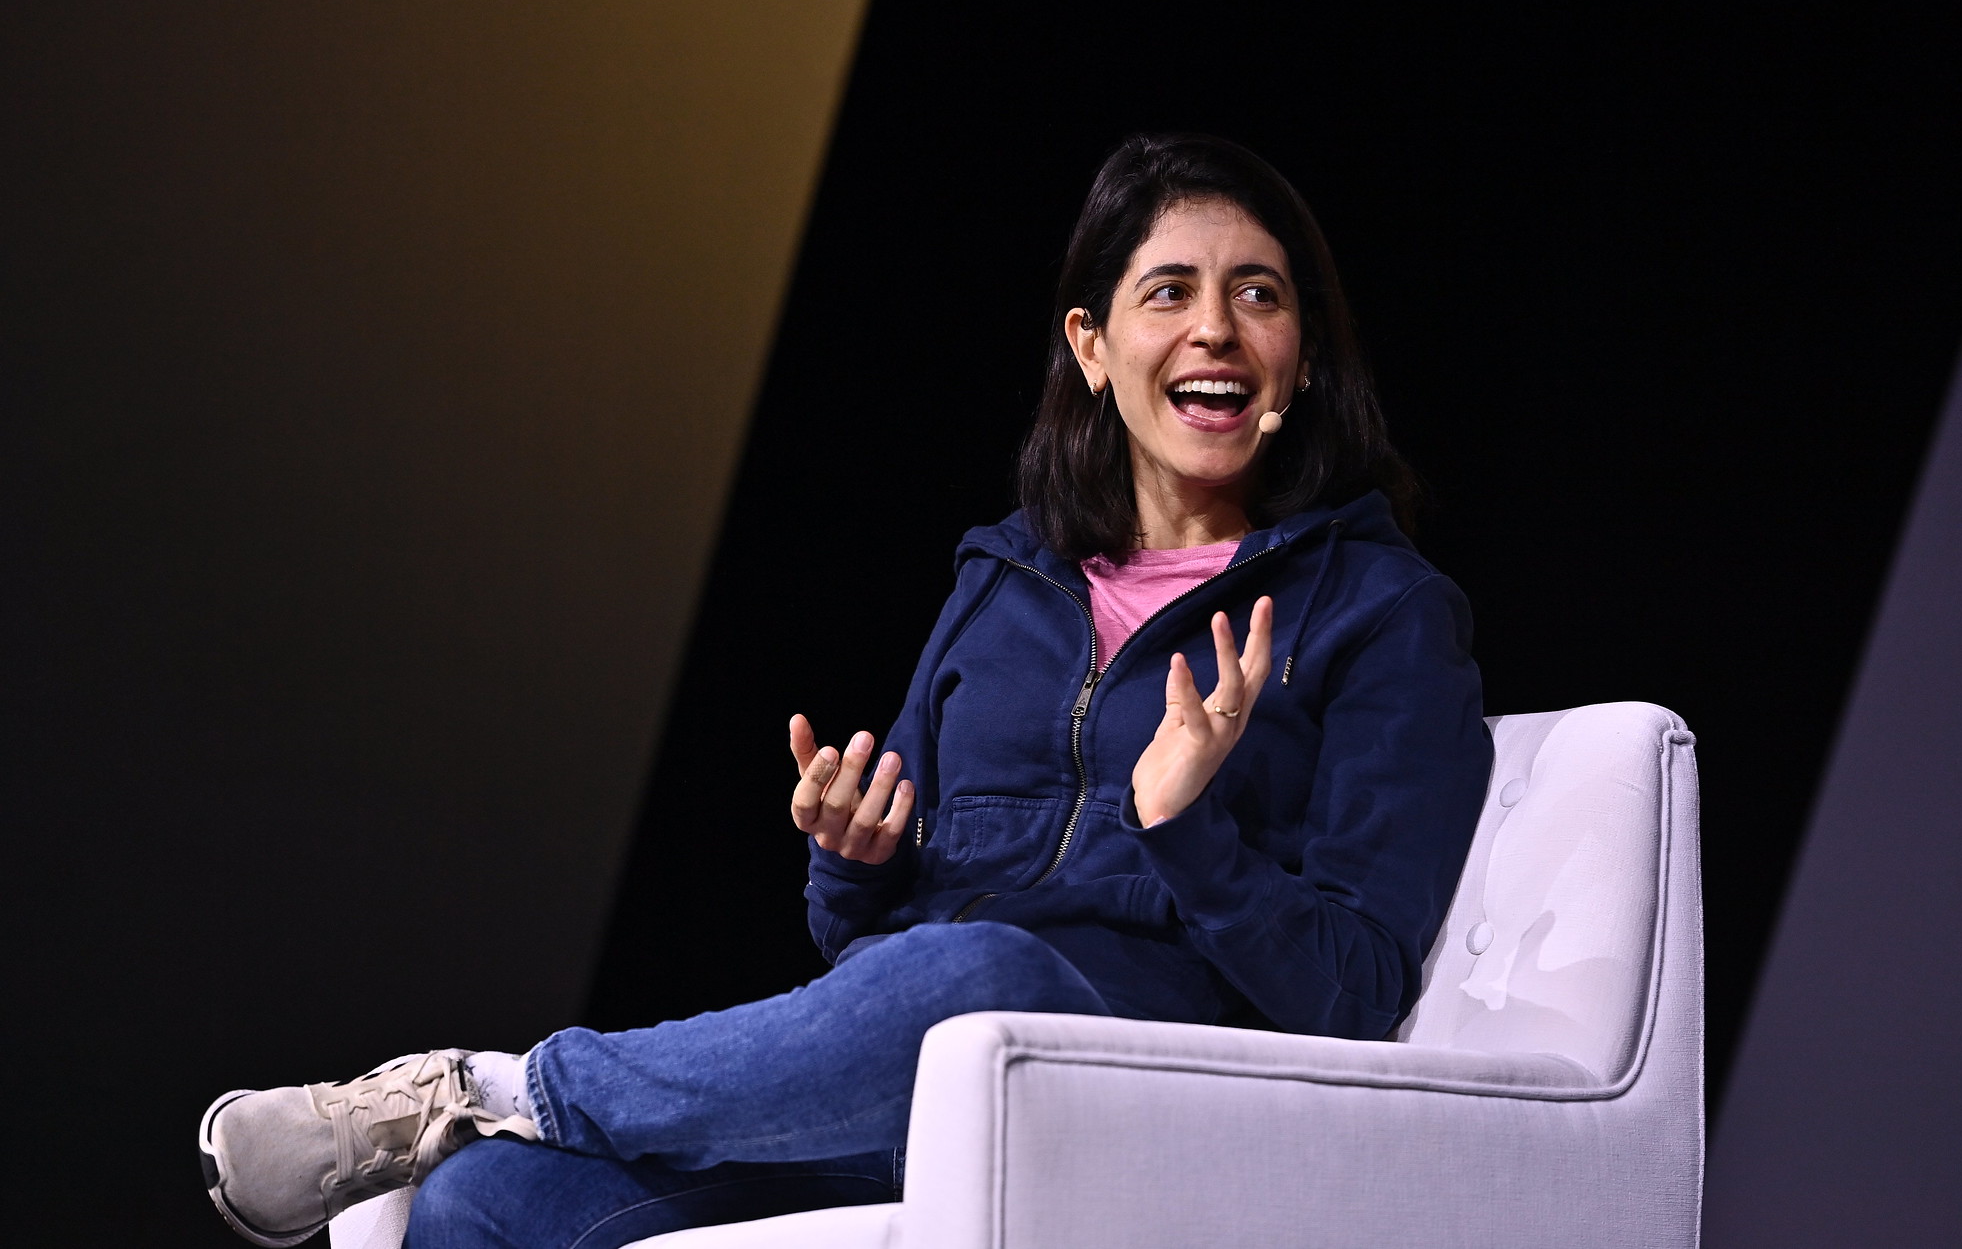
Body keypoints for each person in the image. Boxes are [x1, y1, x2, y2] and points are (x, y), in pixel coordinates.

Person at [196, 132, 1493, 1249]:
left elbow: (1360, 986)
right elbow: (871, 945)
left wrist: (1186, 827)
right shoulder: (1009, 578)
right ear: (1093, 347)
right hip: (920, 1075)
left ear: (1306, 353)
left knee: (976, 967)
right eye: (1170, 291)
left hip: (1141, 1082)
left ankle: (474, 1085)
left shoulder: (1383, 612)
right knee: (492, 1207)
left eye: (1258, 294)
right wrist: (857, 862)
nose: (1215, 326)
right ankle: (490, 1127)